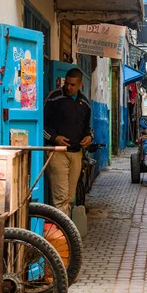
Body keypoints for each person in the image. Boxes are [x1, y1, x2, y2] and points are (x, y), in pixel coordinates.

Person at [44, 68, 93, 216]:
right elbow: (41, 123)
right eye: (67, 83)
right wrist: (54, 138)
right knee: (61, 198)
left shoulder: (85, 103)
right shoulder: (54, 97)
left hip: (76, 154)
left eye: (72, 85)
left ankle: (64, 233)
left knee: (70, 198)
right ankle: (63, 236)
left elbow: (87, 127)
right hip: (57, 152)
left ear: (80, 85)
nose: (69, 87)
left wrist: (89, 137)